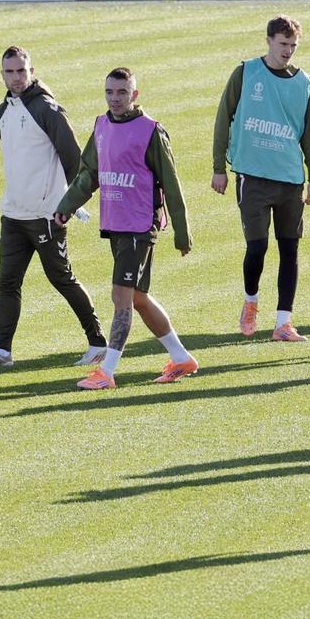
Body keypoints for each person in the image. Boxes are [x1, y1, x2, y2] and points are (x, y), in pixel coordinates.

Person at [55, 67, 196, 390]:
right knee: (139, 298)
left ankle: (107, 371)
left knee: (121, 297)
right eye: (109, 92)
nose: (115, 99)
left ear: (135, 95)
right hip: (115, 225)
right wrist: (66, 207)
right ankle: (181, 357)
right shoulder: (101, 126)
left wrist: (181, 231)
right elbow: (88, 174)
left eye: (121, 93)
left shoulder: (151, 131)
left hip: (139, 227)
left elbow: (172, 186)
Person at [0, 46, 107, 368]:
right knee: (8, 282)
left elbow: (75, 159)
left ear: (31, 70)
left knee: (62, 278)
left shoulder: (47, 109)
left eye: (21, 71)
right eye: (9, 72)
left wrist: (71, 204)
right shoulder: (2, 112)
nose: (16, 77)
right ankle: (2, 352)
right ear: (1, 74)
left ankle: (98, 342)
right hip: (13, 213)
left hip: (46, 215)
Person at [212, 15, 310, 341]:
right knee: (256, 247)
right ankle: (251, 302)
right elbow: (223, 118)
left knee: (290, 250)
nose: (288, 51)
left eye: (293, 45)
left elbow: (309, 132)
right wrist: (219, 167)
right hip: (252, 176)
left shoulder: (304, 83)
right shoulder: (246, 73)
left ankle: (283, 323)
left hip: (289, 178)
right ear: (269, 40)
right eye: (283, 44)